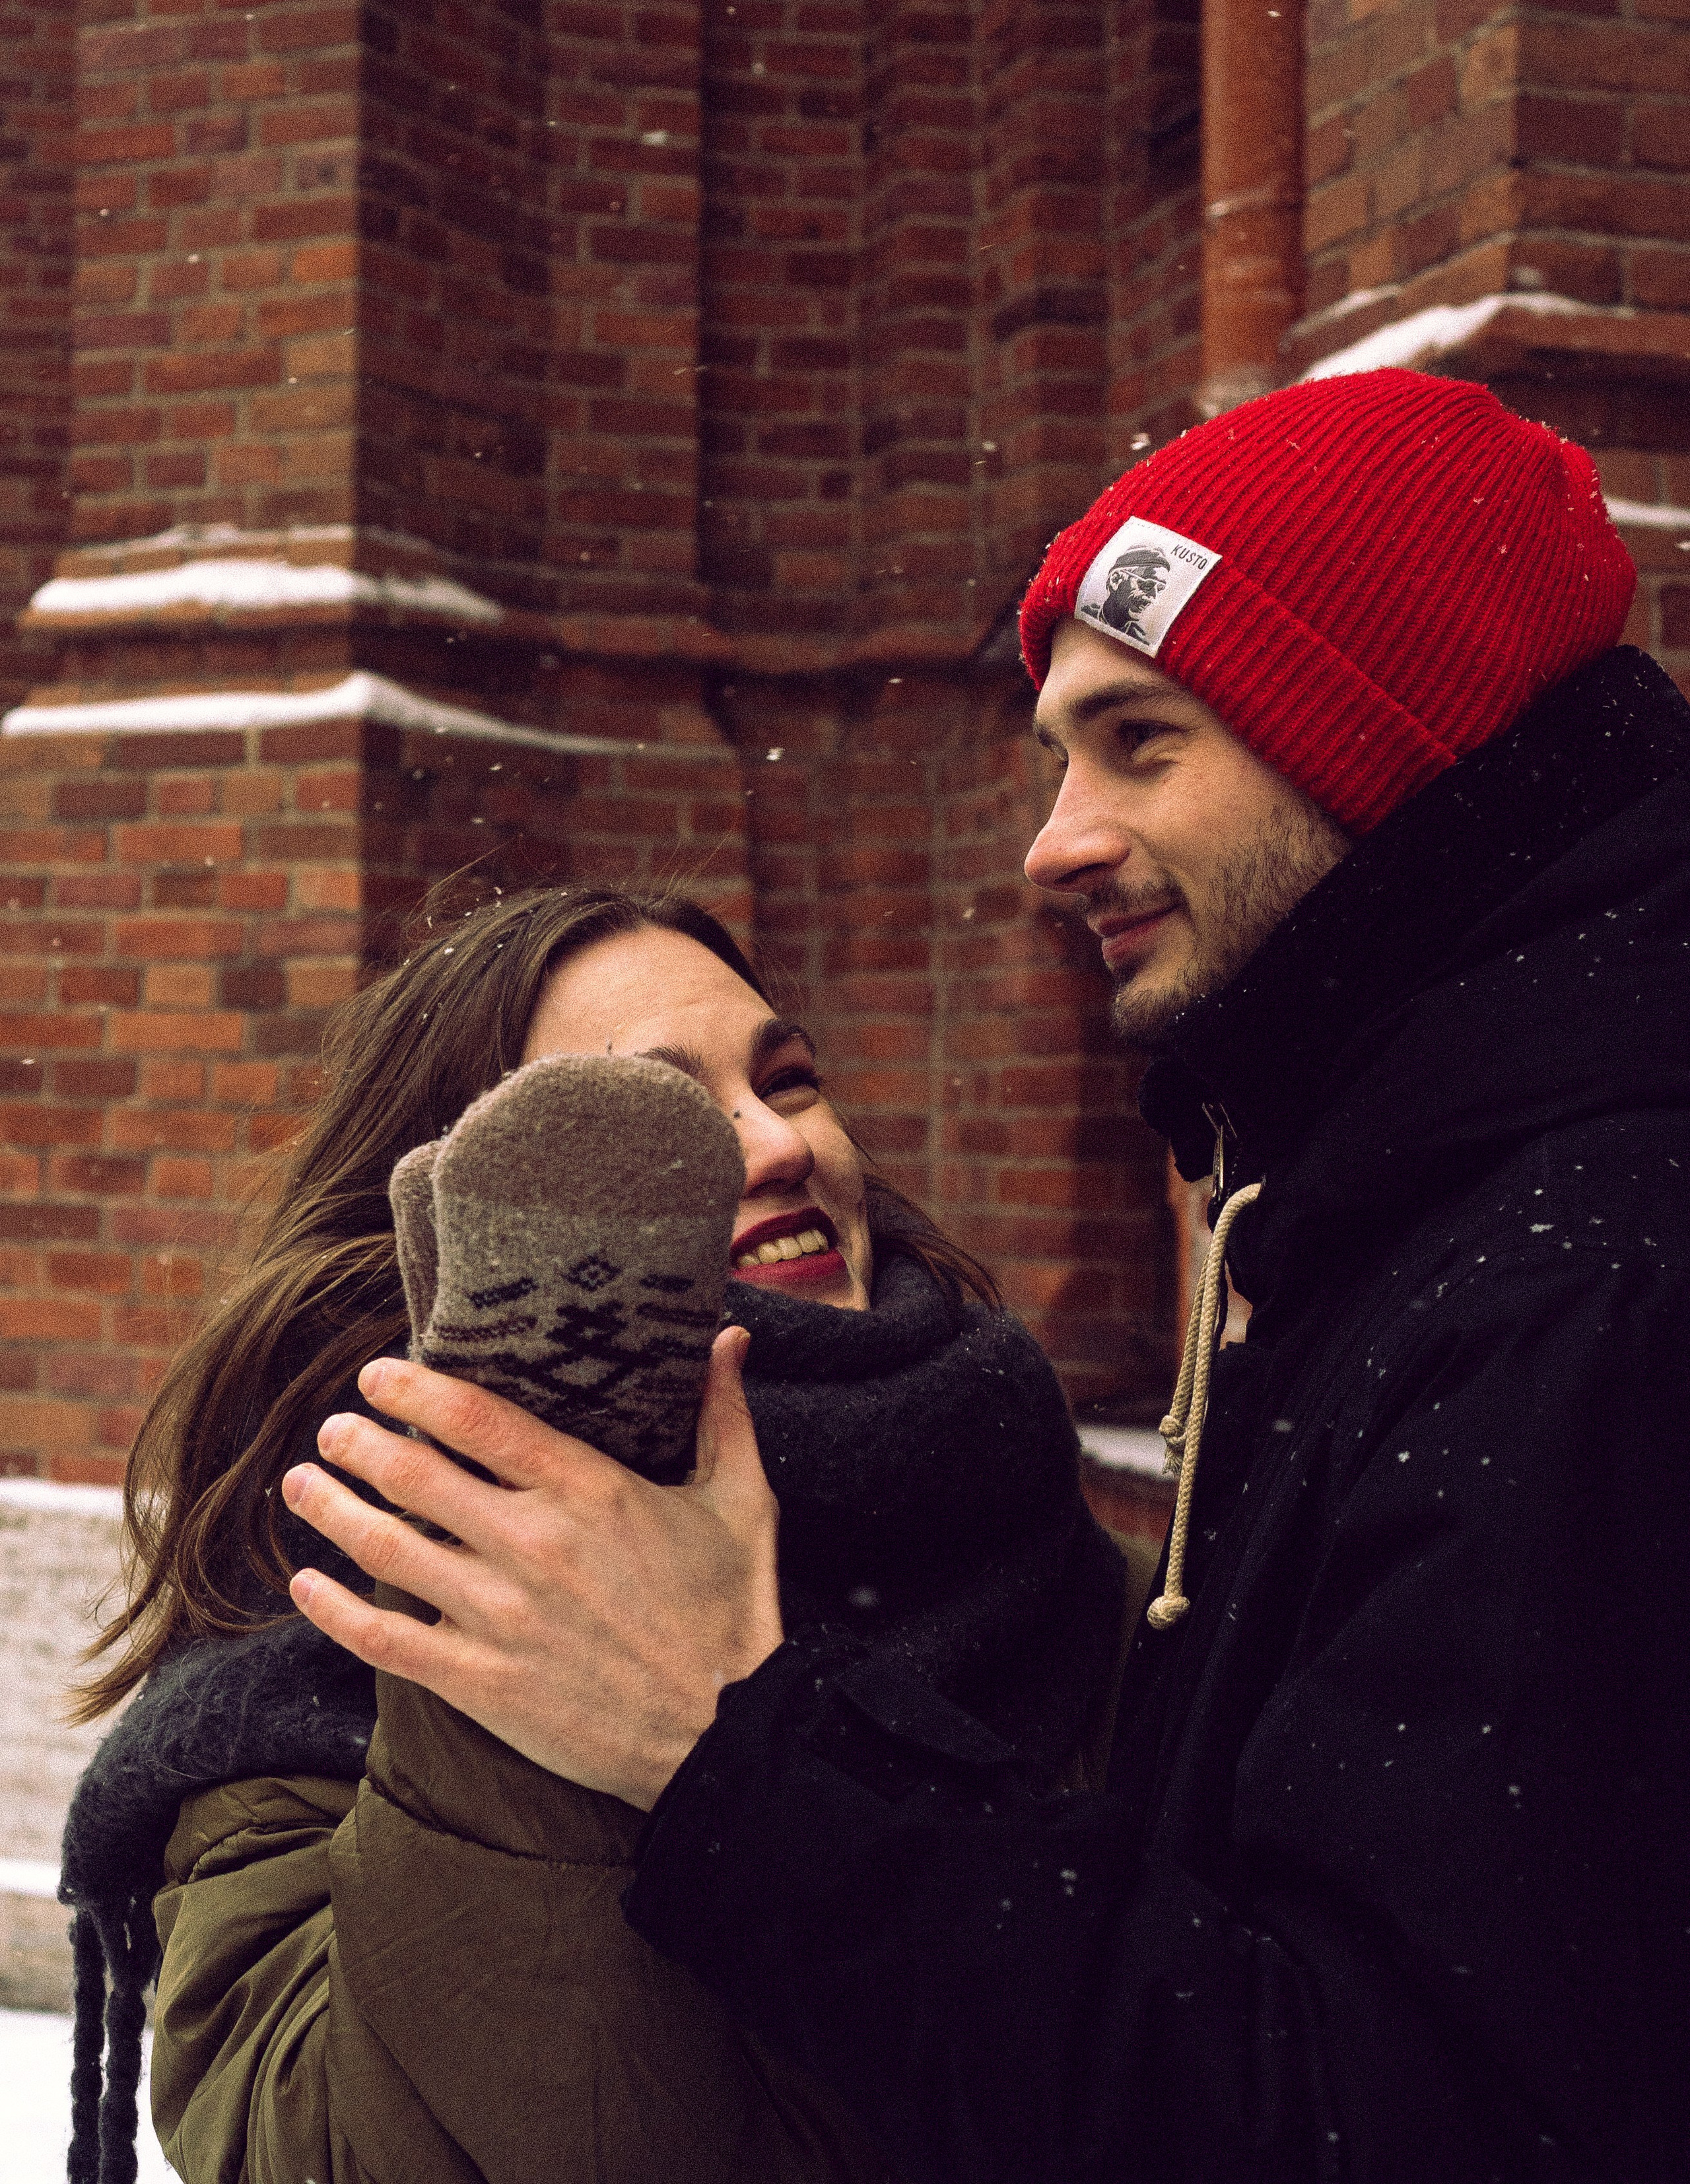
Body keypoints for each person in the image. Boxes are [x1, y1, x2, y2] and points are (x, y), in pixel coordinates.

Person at [281, 367, 1690, 2183]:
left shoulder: (1579, 1283)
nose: (1052, 844)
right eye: (632, 1133)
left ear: (1387, 736)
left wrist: (743, 1749)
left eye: (1143, 740)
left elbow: (1397, 2112)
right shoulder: (291, 1692)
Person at [61, 887, 1138, 2184]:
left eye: (787, 1080)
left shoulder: (1103, 1593)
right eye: (658, 1120)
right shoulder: (299, 1706)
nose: (772, 1141)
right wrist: (521, 1578)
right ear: (450, 1239)